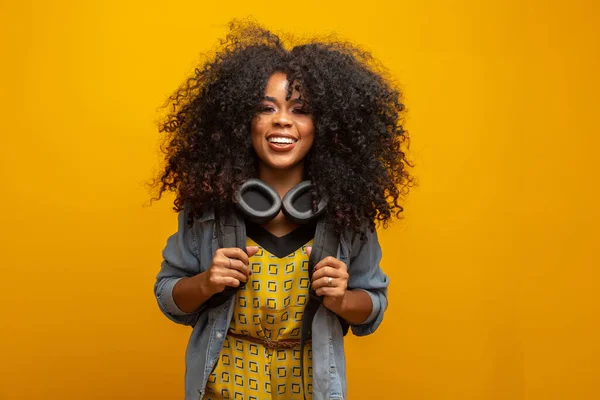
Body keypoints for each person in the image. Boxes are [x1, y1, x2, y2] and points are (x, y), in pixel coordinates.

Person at [151, 19, 415, 400]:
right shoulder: (207, 207)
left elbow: (373, 307)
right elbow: (168, 296)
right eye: (265, 107)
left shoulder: (347, 214)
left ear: (324, 125)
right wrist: (206, 282)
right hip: (220, 389)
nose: (282, 120)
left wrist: (341, 299)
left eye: (300, 109)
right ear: (243, 120)